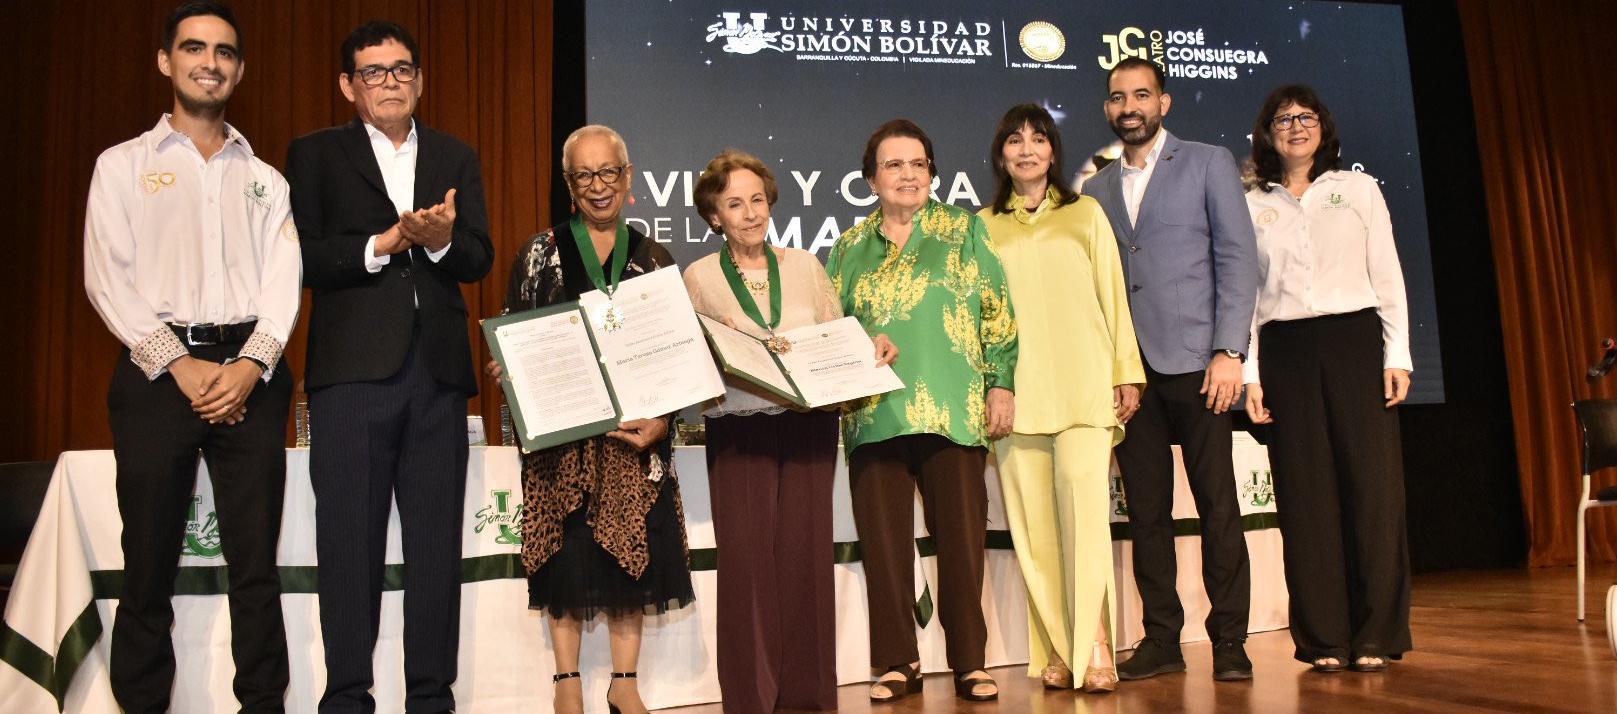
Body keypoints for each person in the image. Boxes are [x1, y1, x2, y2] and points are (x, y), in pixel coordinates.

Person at [82, 3, 300, 711]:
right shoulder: (121, 166)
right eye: (195, 48)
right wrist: (178, 363)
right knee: (146, 565)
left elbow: (283, 284)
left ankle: (262, 704)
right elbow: (106, 276)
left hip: (252, 378)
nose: (211, 62)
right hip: (155, 377)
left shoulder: (266, 177)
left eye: (226, 52)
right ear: (166, 61)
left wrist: (249, 366)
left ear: (240, 68)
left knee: (255, 568)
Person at [286, 20, 493, 714]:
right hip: (349, 378)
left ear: (420, 79)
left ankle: (431, 698)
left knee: (436, 551)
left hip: (437, 376)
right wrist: (386, 240)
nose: (391, 82)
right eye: (374, 72)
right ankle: (347, 698)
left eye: (402, 69)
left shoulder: (455, 155)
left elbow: (479, 256)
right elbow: (304, 259)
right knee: (348, 546)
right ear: (348, 85)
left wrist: (437, 244)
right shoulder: (314, 156)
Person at [683, 149, 897, 712]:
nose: (750, 213)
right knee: (748, 568)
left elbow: (838, 336)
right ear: (715, 216)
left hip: (808, 426)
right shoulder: (699, 277)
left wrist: (869, 348)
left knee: (805, 562)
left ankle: (808, 698)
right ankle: (752, 701)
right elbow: (692, 367)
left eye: (757, 200)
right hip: (739, 429)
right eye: (735, 203)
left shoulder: (805, 265)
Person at [490, 125, 693, 714]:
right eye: (585, 175)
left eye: (609, 173)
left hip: (635, 441)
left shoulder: (655, 257)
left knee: (633, 563)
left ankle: (625, 681)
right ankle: (567, 683)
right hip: (565, 446)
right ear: (569, 185)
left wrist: (664, 419)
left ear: (628, 179)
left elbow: (677, 354)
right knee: (567, 560)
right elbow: (516, 332)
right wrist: (511, 368)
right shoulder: (540, 253)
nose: (598, 186)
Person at [1079, 57, 1261, 682]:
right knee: (1147, 514)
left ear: (1165, 102)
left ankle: (1231, 639)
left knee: (1218, 506)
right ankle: (1162, 639)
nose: (1128, 106)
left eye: (1140, 94)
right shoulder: (1096, 189)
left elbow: (1239, 259)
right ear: (1107, 108)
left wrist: (1229, 352)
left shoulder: (1209, 162)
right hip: (1131, 375)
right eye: (1116, 97)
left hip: (1200, 366)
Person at [826, 119, 1018, 703]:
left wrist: (999, 385)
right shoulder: (847, 247)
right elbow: (833, 330)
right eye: (893, 164)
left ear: (932, 173)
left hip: (953, 411)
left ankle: (969, 662)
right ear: (870, 178)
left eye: (918, 164)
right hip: (873, 414)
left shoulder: (963, 230)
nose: (907, 175)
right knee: (883, 548)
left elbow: (997, 312)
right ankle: (895, 663)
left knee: (961, 543)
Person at [1241, 84, 1414, 674]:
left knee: (1372, 490)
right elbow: (1249, 300)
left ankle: (1376, 633)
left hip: (1355, 343)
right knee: (1306, 496)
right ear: (1267, 133)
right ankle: (1323, 638)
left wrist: (1399, 356)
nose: (1294, 126)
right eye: (1282, 119)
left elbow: (1387, 275)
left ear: (1323, 127)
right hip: (1286, 351)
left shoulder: (1358, 189)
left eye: (1305, 117)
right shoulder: (1251, 203)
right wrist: (1252, 374)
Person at [977, 104, 1145, 694]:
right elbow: (979, 318)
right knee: (1035, 533)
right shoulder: (983, 227)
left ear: (1053, 151)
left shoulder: (1087, 214)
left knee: (1085, 523)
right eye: (1014, 140)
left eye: (1038, 139)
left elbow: (1113, 296)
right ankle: (1055, 646)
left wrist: (1127, 370)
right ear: (1001, 155)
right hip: (1017, 397)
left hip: (1084, 388)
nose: (1027, 150)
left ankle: (1095, 645)